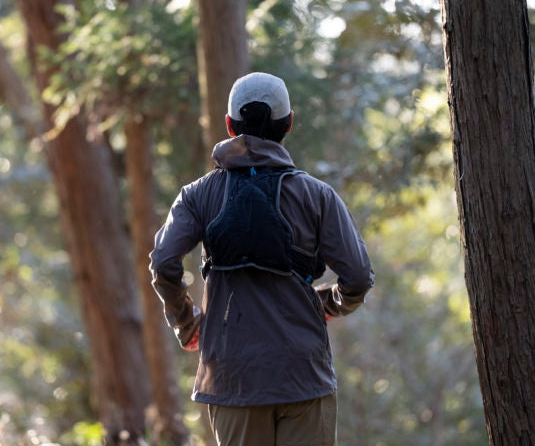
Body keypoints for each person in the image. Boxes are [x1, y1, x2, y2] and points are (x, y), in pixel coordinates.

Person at [150, 72, 374, 446]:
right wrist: (328, 305)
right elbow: (359, 277)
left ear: (228, 125)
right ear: (288, 124)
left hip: (231, 375)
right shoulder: (317, 196)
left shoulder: (197, 195)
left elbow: (163, 263)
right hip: (303, 373)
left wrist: (187, 326)